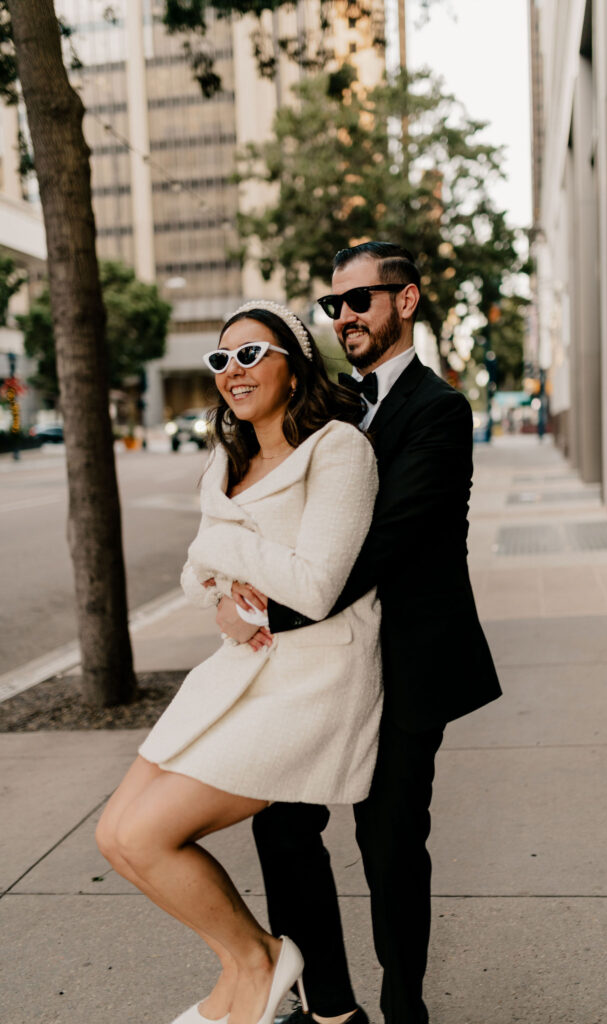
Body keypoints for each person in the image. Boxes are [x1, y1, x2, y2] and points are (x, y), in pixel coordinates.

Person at [218, 244, 502, 1024]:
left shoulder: (437, 409)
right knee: (282, 826)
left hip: (408, 664)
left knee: (390, 849)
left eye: (360, 301)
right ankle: (331, 1007)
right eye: (333, 304)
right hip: (324, 666)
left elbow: (385, 543)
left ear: (405, 301)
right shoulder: (331, 405)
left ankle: (404, 1005)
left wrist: (265, 611)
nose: (342, 317)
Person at [95, 301, 383, 1024]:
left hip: (313, 678)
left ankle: (254, 967)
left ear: (295, 364)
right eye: (221, 361)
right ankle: (245, 964)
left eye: (251, 354)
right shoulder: (227, 460)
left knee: (145, 835)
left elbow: (315, 584)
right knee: (114, 836)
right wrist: (224, 592)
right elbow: (196, 578)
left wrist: (225, 555)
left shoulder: (337, 449)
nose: (234, 372)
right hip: (242, 665)